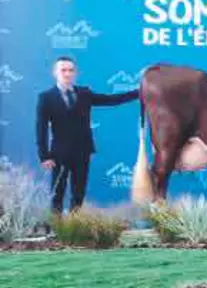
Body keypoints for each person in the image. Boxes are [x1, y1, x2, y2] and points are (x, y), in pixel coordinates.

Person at [36, 56, 139, 215]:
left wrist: (139, 92)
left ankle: (75, 225)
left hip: (83, 151)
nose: (67, 73)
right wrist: (44, 155)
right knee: (57, 191)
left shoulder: (85, 93)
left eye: (71, 70)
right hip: (59, 153)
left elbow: (111, 100)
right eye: (63, 70)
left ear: (75, 73)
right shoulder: (46, 97)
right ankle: (56, 228)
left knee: (79, 191)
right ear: (55, 72)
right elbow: (40, 128)